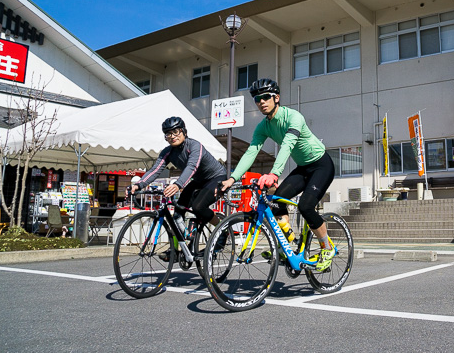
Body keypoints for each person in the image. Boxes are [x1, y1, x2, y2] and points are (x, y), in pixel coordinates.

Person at [219, 78, 336, 271]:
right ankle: (287, 245)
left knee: (306, 207)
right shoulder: (263, 127)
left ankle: (327, 247)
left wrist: (274, 173)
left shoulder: (293, 117)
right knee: (275, 202)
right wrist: (233, 178)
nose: (261, 102)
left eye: (266, 97)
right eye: (257, 99)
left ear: (277, 98)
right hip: (303, 168)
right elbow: (252, 151)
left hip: (321, 165)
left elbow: (288, 145)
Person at [130, 116, 227, 261]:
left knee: (198, 207)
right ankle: (175, 249)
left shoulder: (194, 146)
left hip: (216, 177)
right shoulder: (167, 152)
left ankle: (222, 229)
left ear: (184, 132)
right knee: (177, 213)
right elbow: (155, 170)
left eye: (176, 131)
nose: (172, 136)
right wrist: (139, 184)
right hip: (198, 180)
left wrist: (178, 184)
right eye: (168, 133)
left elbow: (192, 167)